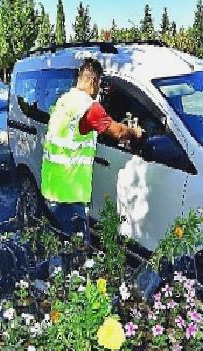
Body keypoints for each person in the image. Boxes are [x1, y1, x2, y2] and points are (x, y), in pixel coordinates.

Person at [40, 58, 143, 235]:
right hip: (69, 197)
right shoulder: (88, 107)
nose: (98, 91)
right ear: (93, 81)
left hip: (51, 189)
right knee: (76, 253)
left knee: (59, 247)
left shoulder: (64, 100)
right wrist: (135, 132)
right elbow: (117, 132)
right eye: (99, 85)